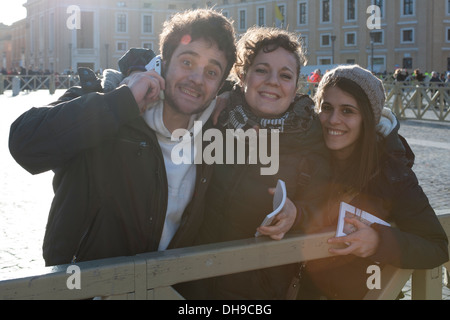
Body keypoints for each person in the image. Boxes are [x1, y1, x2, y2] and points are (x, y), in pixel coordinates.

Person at [8, 8, 243, 267]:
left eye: (211, 72)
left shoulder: (215, 132)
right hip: (85, 290)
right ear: (163, 62)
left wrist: (295, 210)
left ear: (220, 84)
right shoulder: (106, 98)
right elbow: (24, 143)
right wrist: (121, 104)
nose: (197, 79)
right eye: (187, 62)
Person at [176, 26, 330, 300]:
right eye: (261, 70)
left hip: (261, 291)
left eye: (285, 75)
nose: (273, 81)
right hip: (190, 286)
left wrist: (298, 214)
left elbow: (328, 206)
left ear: (295, 86)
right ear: (243, 75)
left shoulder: (312, 138)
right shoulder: (212, 120)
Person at [297, 65, 449, 300]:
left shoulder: (392, 172)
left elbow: (436, 246)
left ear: (368, 117)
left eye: (347, 111)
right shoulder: (304, 156)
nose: (333, 120)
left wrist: (378, 241)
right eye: (326, 108)